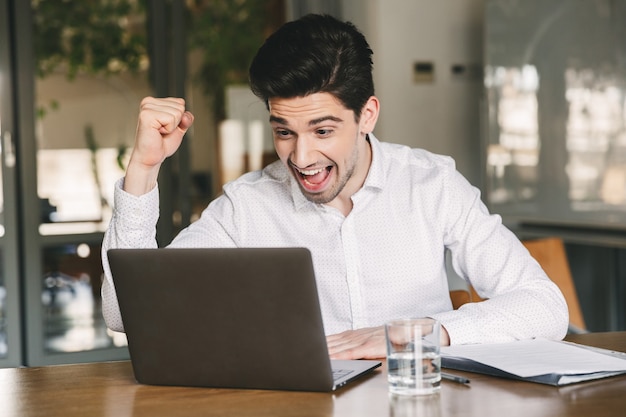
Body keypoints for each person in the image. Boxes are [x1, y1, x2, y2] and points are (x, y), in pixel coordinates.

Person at [101, 14, 568, 359]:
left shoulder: (432, 183)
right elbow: (127, 315)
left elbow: (545, 306)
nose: (301, 159)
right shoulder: (247, 206)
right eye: (284, 131)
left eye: (322, 131)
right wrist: (143, 169)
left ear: (367, 115)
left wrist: (422, 331)